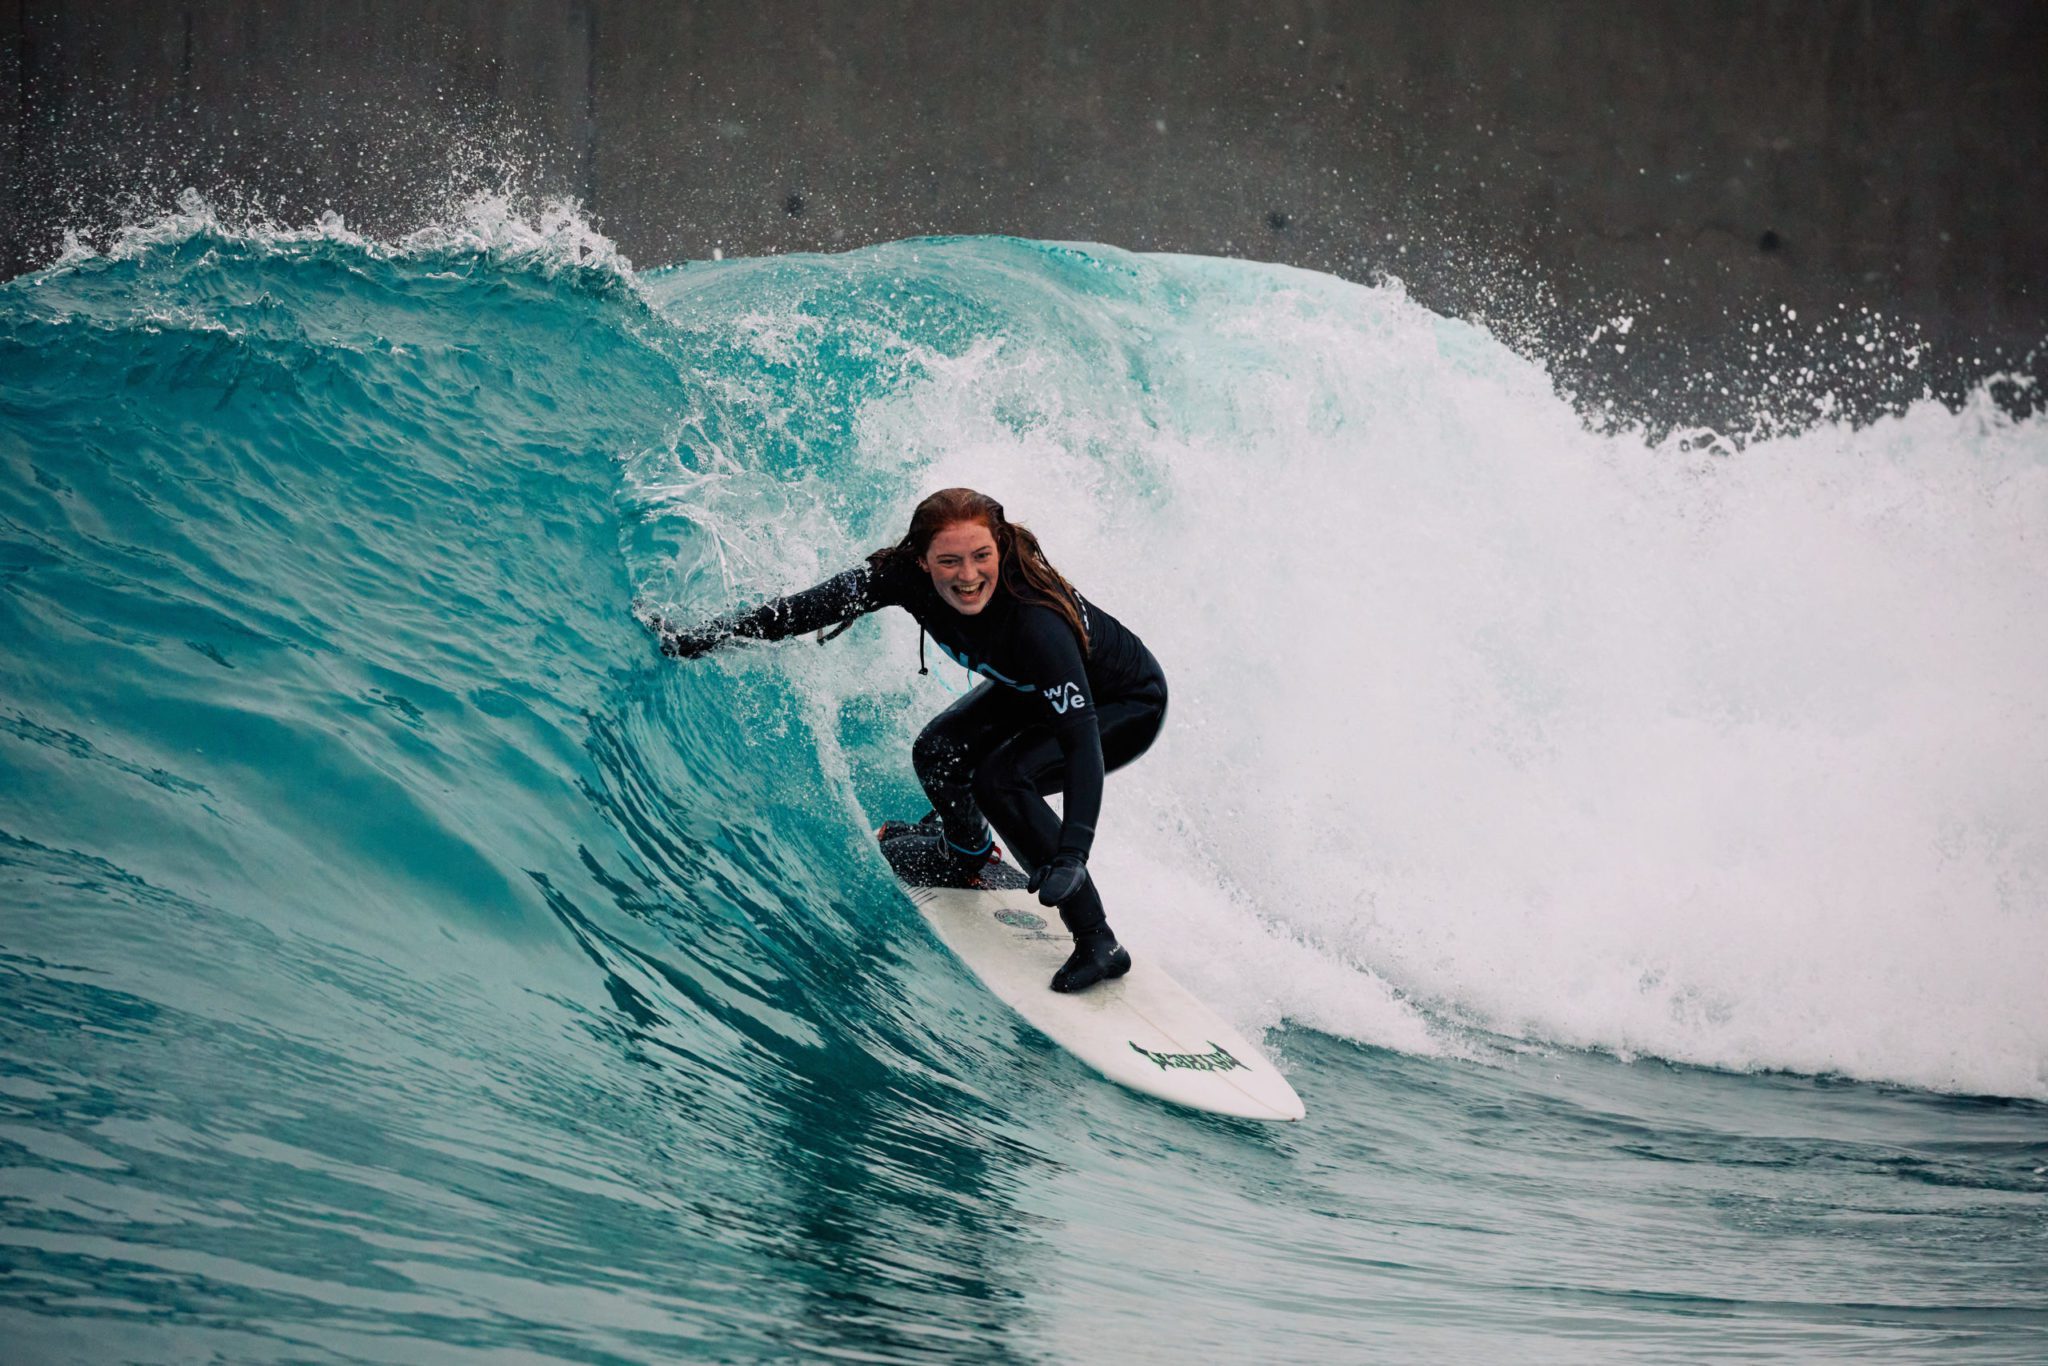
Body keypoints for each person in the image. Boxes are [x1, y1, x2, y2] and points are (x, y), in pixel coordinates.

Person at [647, 488, 1169, 993]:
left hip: (1123, 705)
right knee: (939, 752)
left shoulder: (1036, 623)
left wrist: (1072, 855)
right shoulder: (899, 578)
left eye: (981, 556)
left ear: (1001, 548)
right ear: (921, 561)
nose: (968, 577)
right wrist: (705, 638)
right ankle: (966, 854)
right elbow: (804, 610)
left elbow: (1081, 745)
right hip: (1032, 688)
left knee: (1001, 781)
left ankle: (1098, 940)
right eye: (949, 561)